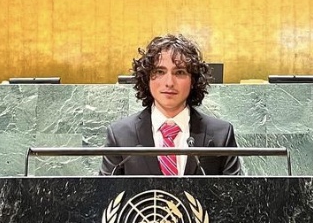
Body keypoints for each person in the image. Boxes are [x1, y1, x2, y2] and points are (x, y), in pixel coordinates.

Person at [101, 33, 240, 175]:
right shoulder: (120, 135)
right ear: (147, 78)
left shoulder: (221, 134)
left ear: (193, 80)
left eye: (179, 72)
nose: (169, 83)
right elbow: (104, 195)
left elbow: (237, 195)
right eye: (160, 72)